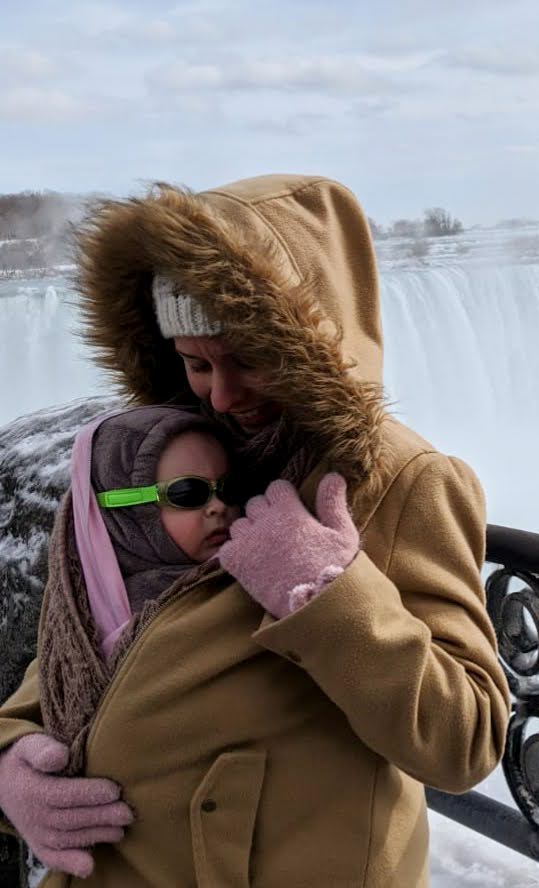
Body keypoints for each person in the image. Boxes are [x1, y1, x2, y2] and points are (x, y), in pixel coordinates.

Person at [0, 174, 511, 887]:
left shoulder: (399, 479)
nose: (222, 393)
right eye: (195, 363)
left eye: (250, 358)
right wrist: (13, 752)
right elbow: (102, 623)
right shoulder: (182, 451)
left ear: (310, 341)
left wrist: (324, 595)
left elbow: (466, 741)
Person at [0, 405, 243, 877]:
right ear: (125, 510)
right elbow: (27, 706)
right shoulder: (82, 620)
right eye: (188, 493)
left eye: (228, 489)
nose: (219, 506)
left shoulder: (258, 592)